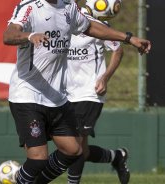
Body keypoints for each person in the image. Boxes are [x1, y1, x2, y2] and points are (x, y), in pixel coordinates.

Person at [3, 0, 150, 184]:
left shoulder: (69, 7)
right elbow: (8, 35)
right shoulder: (30, 6)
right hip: (27, 94)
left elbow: (89, 27)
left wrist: (128, 38)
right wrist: (30, 35)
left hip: (56, 97)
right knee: (38, 159)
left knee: (74, 150)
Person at [65, 1, 130, 184]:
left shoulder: (98, 27)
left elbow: (118, 51)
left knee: (75, 144)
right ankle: (116, 156)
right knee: (80, 151)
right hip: (66, 94)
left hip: (90, 92)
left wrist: (105, 77)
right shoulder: (62, 21)